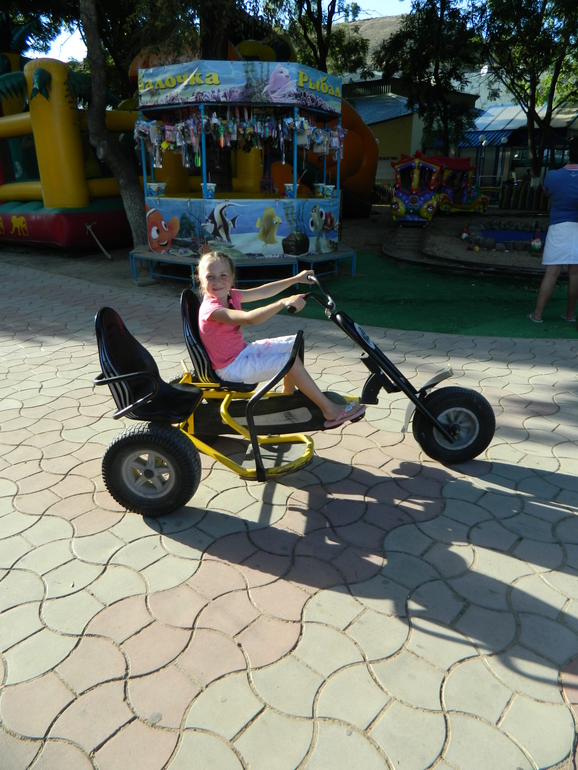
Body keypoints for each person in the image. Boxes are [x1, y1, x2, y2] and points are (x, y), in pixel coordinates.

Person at [197, 251, 366, 428]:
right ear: (201, 280)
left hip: (241, 353)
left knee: (293, 345)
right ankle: (329, 410)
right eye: (210, 276)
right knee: (290, 362)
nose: (217, 281)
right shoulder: (212, 309)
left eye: (223, 275)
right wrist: (282, 303)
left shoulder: (230, 295)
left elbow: (264, 291)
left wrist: (296, 279)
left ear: (232, 278)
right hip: (231, 368)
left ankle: (287, 397)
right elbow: (249, 318)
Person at [528, 137, 578, 323]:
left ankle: (537, 314)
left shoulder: (552, 176)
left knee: (551, 273)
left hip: (559, 227)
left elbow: (548, 194)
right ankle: (570, 314)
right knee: (576, 274)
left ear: (568, 154)